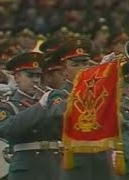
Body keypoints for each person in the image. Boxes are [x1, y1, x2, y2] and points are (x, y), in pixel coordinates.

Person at [46, 38, 115, 180]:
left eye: (85, 63)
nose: (83, 67)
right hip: (75, 164)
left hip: (101, 163)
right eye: (75, 64)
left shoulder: (99, 91)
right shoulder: (59, 94)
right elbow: (57, 115)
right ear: (64, 71)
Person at [0, 52, 60, 180]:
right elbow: (8, 129)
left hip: (53, 164)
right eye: (30, 76)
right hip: (27, 168)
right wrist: (40, 106)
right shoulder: (7, 105)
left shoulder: (47, 102)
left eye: (38, 76)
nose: (35, 80)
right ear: (17, 77)